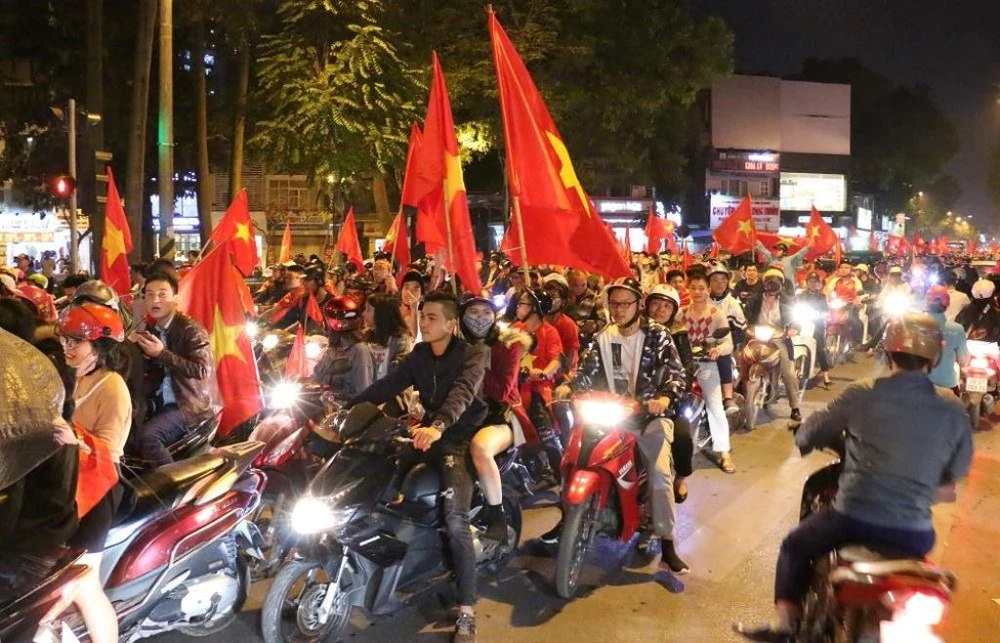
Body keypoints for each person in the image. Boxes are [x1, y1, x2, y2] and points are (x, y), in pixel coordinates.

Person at [736, 313, 973, 642]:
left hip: (852, 518)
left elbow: (813, 431)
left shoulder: (863, 393)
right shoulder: (952, 408)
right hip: (914, 534)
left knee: (794, 546)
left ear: (887, 352)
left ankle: (785, 622)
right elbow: (957, 469)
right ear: (934, 357)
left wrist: (804, 434)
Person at [347, 290, 490, 643]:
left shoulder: (473, 354)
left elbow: (462, 393)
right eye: (422, 316)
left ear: (451, 324)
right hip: (424, 432)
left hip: (457, 438)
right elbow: (387, 386)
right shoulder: (420, 354)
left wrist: (438, 426)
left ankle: (467, 611)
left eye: (431, 317)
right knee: (376, 476)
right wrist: (348, 408)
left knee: (455, 519)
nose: (423, 323)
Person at [548, 277, 689, 574]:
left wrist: (664, 397)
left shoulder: (659, 335)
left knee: (659, 476)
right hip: (611, 416)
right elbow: (585, 372)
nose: (619, 309)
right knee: (572, 457)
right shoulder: (604, 336)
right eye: (614, 303)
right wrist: (568, 386)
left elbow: (676, 375)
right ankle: (568, 516)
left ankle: (666, 542)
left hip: (649, 418)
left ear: (639, 304)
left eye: (626, 303)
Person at [56, 302, 133, 643]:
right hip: (65, 484)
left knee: (83, 583)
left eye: (76, 341)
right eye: (65, 340)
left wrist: (72, 437)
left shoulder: (113, 386)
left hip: (98, 489)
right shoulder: (70, 377)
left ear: (100, 345)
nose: (68, 347)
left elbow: (110, 450)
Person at [128, 271, 221, 466]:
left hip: (189, 404)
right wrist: (129, 346)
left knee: (149, 438)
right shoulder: (152, 330)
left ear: (175, 299)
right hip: (159, 399)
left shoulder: (191, 330)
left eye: (162, 294)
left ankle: (172, 481)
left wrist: (161, 354)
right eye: (150, 295)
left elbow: (201, 370)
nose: (155, 300)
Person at [460, 296, 530, 541]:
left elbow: (502, 392)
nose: (479, 318)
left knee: (480, 448)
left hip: (500, 417)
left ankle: (496, 516)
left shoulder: (508, 346)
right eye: (473, 312)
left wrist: (476, 359)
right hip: (462, 415)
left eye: (486, 312)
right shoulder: (452, 345)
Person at [680, 273, 737, 472]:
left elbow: (728, 342)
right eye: (693, 287)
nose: (697, 292)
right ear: (688, 289)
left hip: (706, 365)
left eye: (701, 288)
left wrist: (717, 350)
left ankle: (724, 453)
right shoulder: (681, 314)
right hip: (683, 366)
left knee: (715, 407)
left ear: (708, 290)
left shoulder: (716, 313)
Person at [644, 284, 695, 503]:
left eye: (667, 306)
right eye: (656, 303)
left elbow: (686, 369)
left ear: (673, 311)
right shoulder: (635, 330)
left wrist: (670, 393)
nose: (660, 310)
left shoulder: (678, 333)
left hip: (671, 399)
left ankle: (680, 479)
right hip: (637, 398)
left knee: (683, 438)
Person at [512, 288, 564, 480]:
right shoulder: (515, 329)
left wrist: (542, 372)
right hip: (513, 389)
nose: (518, 307)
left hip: (536, 389)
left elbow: (556, 360)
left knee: (546, 433)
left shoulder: (550, 332)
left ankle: (562, 474)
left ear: (534, 308)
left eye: (522, 304)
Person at [744, 268, 803, 425]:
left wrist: (794, 328)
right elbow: (745, 316)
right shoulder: (755, 299)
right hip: (756, 337)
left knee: (788, 372)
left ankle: (795, 407)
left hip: (779, 339)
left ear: (782, 284)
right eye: (769, 281)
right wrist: (744, 326)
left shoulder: (787, 301)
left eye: (776, 282)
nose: (772, 285)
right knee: (741, 360)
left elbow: (796, 319)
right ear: (764, 283)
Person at [707, 262, 747, 413]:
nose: (720, 283)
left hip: (726, 346)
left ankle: (728, 397)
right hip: (701, 345)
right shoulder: (701, 301)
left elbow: (740, 331)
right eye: (715, 280)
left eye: (723, 279)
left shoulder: (733, 304)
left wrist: (726, 345)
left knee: (724, 358)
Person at [925, 285, 969, 397]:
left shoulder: (914, 325)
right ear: (947, 304)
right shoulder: (957, 329)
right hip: (948, 386)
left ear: (927, 301)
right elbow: (963, 360)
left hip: (919, 386)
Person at [362, 292, 414, 382]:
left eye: (368, 310)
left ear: (381, 313)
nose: (363, 314)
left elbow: (400, 374)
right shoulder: (365, 336)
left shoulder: (400, 339)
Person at [541, 273, 581, 381]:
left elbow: (570, 358)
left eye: (553, 297)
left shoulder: (568, 325)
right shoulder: (537, 320)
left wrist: (556, 375)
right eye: (546, 296)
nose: (548, 300)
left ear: (563, 301)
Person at [797, 272, 832, 388]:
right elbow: (794, 306)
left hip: (817, 324)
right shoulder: (801, 295)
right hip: (802, 322)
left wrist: (821, 315)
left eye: (815, 282)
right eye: (810, 281)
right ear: (807, 283)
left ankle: (825, 374)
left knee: (820, 347)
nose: (812, 284)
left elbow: (826, 311)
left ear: (818, 284)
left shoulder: (821, 296)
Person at [399, 269, 425, 340]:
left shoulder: (423, 317)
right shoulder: (393, 311)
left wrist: (414, 310)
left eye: (415, 289)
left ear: (421, 296)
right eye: (406, 287)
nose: (410, 292)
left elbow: (413, 336)